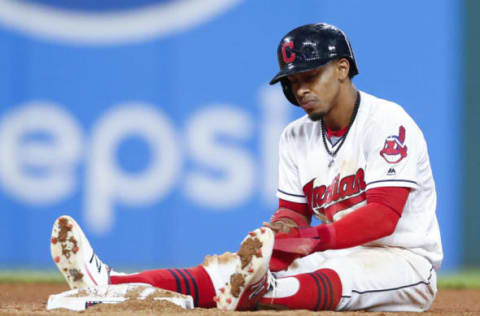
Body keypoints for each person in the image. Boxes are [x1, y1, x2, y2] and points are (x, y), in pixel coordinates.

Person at [51, 22, 442, 312]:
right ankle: (111, 284)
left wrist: (312, 240)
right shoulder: (295, 136)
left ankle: (259, 293)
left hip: (402, 260)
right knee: (227, 272)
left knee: (335, 279)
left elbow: (383, 218)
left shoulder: (389, 122)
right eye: (292, 81)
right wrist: (276, 239)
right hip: (334, 252)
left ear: (342, 68)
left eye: (311, 75)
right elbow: (293, 214)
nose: (300, 89)